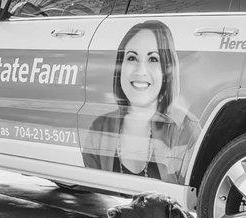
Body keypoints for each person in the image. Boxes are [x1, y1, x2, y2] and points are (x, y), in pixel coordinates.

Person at [82, 20, 198, 183]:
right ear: (120, 66)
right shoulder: (99, 128)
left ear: (167, 69)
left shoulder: (185, 129)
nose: (140, 71)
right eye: (131, 58)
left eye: (153, 59)